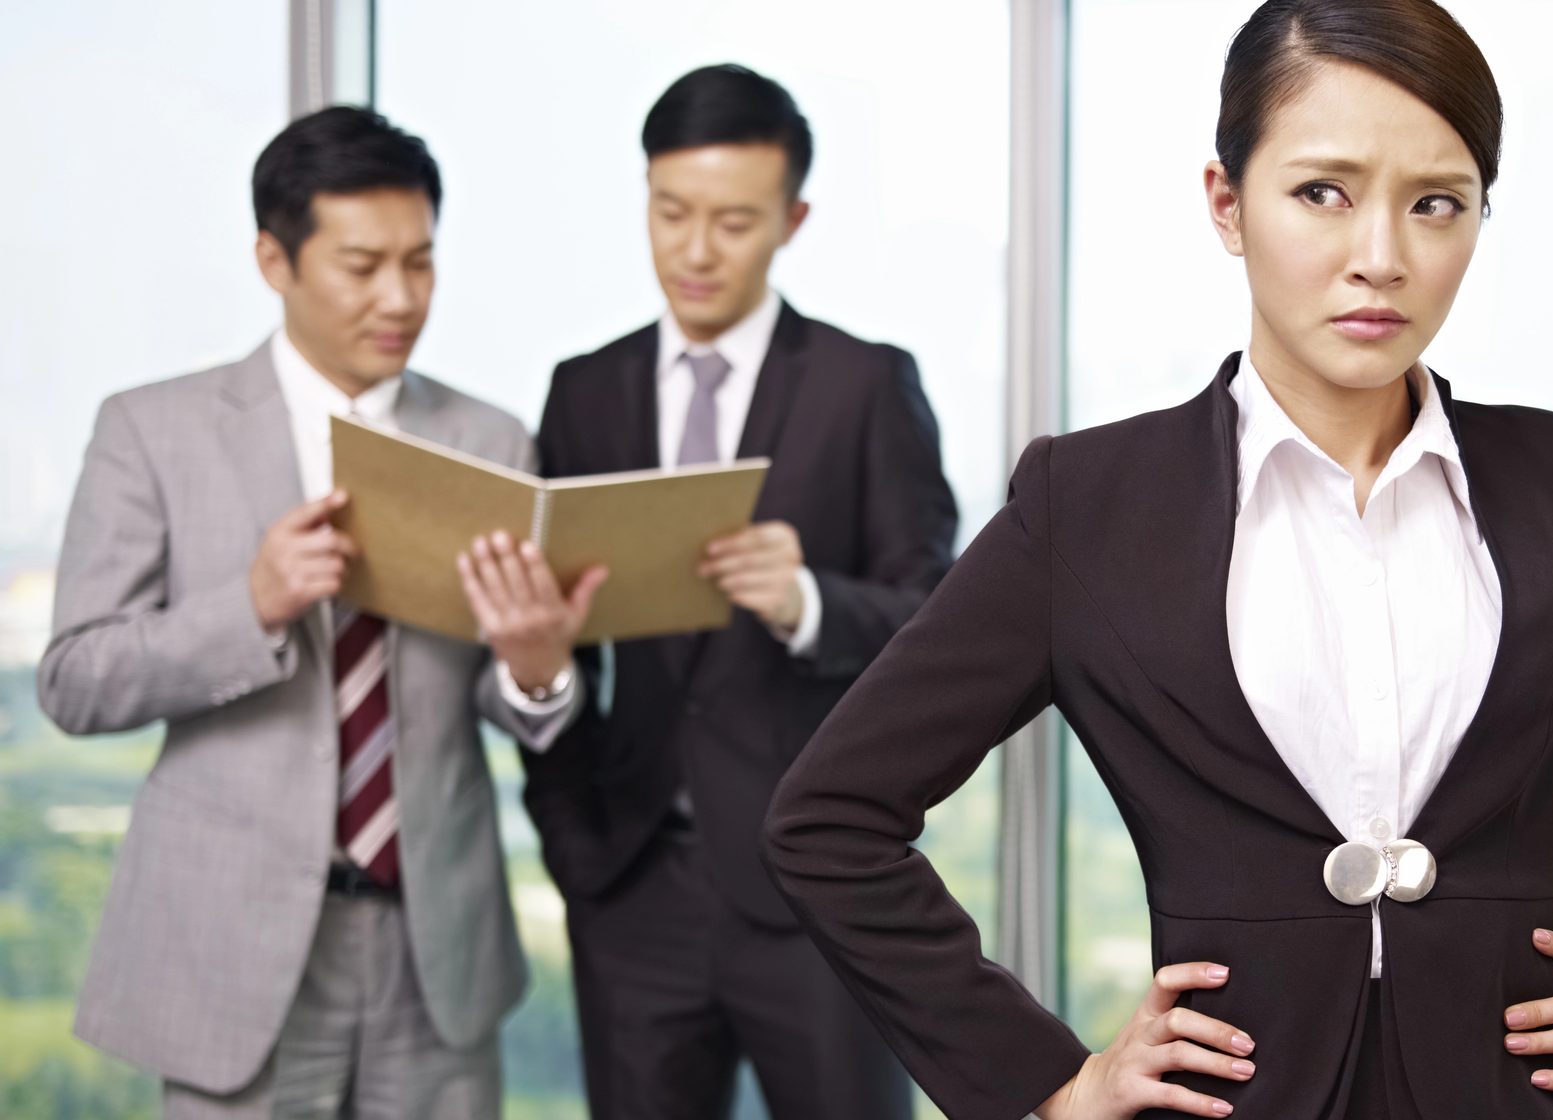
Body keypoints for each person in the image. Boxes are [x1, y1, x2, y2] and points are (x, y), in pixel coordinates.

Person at [761, 2, 1553, 1118]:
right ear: (1226, 202)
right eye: (1322, 192)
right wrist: (1044, 1082)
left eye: (1437, 204)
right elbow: (830, 817)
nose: (1382, 258)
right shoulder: (1089, 506)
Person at [38, 106, 598, 1118]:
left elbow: (508, 695)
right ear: (273, 259)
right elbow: (75, 679)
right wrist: (250, 605)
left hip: (438, 945)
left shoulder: (492, 438)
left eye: (421, 263)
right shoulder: (151, 431)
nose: (399, 297)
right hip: (231, 948)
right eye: (362, 265)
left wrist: (535, 666)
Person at [518, 64, 957, 1120]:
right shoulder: (585, 390)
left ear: (792, 219)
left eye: (731, 220)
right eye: (670, 213)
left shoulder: (863, 385)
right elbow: (564, 653)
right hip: (630, 888)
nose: (695, 250)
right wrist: (533, 676)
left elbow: (939, 626)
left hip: (812, 891)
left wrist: (806, 600)